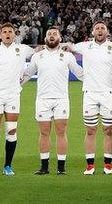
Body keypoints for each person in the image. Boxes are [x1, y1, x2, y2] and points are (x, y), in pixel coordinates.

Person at [22, 27, 84, 175]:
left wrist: (94, 83)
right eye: (49, 34)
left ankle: (61, 167)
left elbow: (80, 74)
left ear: (60, 38)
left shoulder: (67, 56)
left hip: (61, 99)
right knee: (44, 133)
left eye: (54, 34)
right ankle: (44, 167)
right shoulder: (38, 56)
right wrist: (14, 85)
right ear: (45, 38)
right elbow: (27, 74)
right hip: (42, 99)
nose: (51, 36)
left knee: (61, 132)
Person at [66, 21, 112, 174]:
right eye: (97, 28)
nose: (99, 30)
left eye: (102, 28)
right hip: (90, 94)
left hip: (108, 94)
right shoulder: (84, 46)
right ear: (92, 32)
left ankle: (108, 165)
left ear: (107, 32)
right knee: (90, 130)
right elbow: (68, 47)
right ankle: (90, 165)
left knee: (108, 130)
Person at [0, 23, 36, 176]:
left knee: (11, 132)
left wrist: (24, 79)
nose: (7, 34)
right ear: (0, 35)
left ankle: (8, 166)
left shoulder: (23, 49)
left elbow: (38, 55)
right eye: (4, 31)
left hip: (13, 96)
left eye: (10, 32)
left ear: (15, 35)